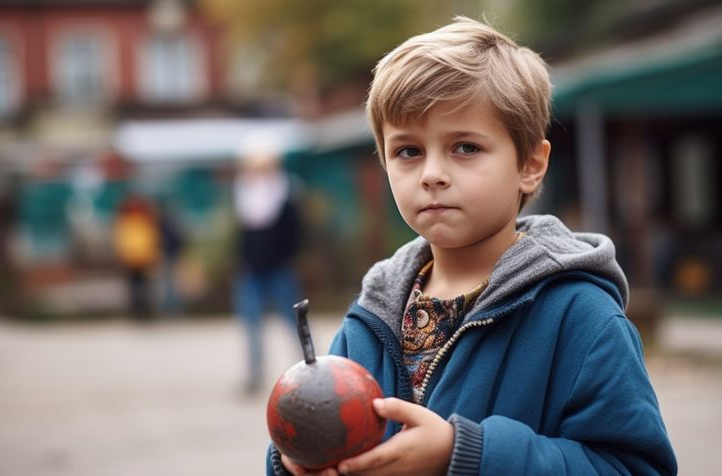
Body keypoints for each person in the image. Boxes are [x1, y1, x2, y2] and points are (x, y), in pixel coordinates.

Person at [268, 16, 678, 476]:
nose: (432, 174)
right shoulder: (373, 313)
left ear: (530, 164)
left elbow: (633, 467)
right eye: (408, 151)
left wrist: (466, 454)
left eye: (464, 147)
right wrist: (297, 457)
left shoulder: (581, 315)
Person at [234, 134, 303, 394]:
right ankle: (254, 374)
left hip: (279, 268)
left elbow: (295, 232)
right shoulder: (244, 191)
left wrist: (286, 257)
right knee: (251, 324)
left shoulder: (287, 190)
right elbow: (244, 233)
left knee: (293, 321)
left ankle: (311, 369)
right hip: (252, 269)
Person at [113, 193, 160, 321]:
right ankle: (135, 312)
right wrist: (122, 255)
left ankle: (147, 312)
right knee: (133, 288)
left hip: (144, 260)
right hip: (130, 260)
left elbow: (152, 239)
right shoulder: (124, 222)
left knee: (146, 288)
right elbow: (121, 240)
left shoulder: (146, 220)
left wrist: (153, 255)